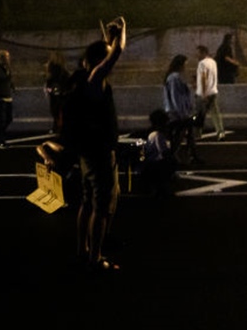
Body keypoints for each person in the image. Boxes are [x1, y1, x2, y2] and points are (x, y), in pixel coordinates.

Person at [40, 17, 127, 272]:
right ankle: (95, 258)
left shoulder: (80, 79)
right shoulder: (94, 81)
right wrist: (122, 31)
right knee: (101, 207)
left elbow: (107, 53)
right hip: (100, 152)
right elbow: (116, 53)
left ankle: (83, 250)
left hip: (87, 151)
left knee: (88, 202)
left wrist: (108, 39)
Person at [164, 54, 202, 164]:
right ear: (180, 65)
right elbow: (176, 97)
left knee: (187, 134)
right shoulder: (174, 78)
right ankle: (173, 155)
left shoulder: (174, 77)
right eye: (185, 64)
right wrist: (182, 113)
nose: (185, 67)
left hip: (180, 112)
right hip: (178, 113)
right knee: (180, 135)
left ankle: (192, 155)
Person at [135, 108, 177, 196]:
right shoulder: (157, 135)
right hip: (152, 167)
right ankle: (159, 184)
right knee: (171, 162)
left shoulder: (151, 133)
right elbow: (165, 153)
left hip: (146, 166)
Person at [195, 45, 225, 141]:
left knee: (199, 114)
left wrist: (203, 93)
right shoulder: (213, 62)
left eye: (198, 53)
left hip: (203, 93)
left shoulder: (202, 63)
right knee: (215, 113)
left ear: (203, 53)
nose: (197, 55)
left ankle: (197, 134)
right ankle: (220, 132)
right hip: (213, 91)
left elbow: (204, 77)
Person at [43, 51, 69, 133]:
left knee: (55, 111)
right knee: (60, 112)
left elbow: (49, 82)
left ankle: (56, 127)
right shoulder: (63, 71)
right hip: (61, 93)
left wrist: (49, 90)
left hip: (55, 94)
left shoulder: (52, 69)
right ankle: (58, 127)